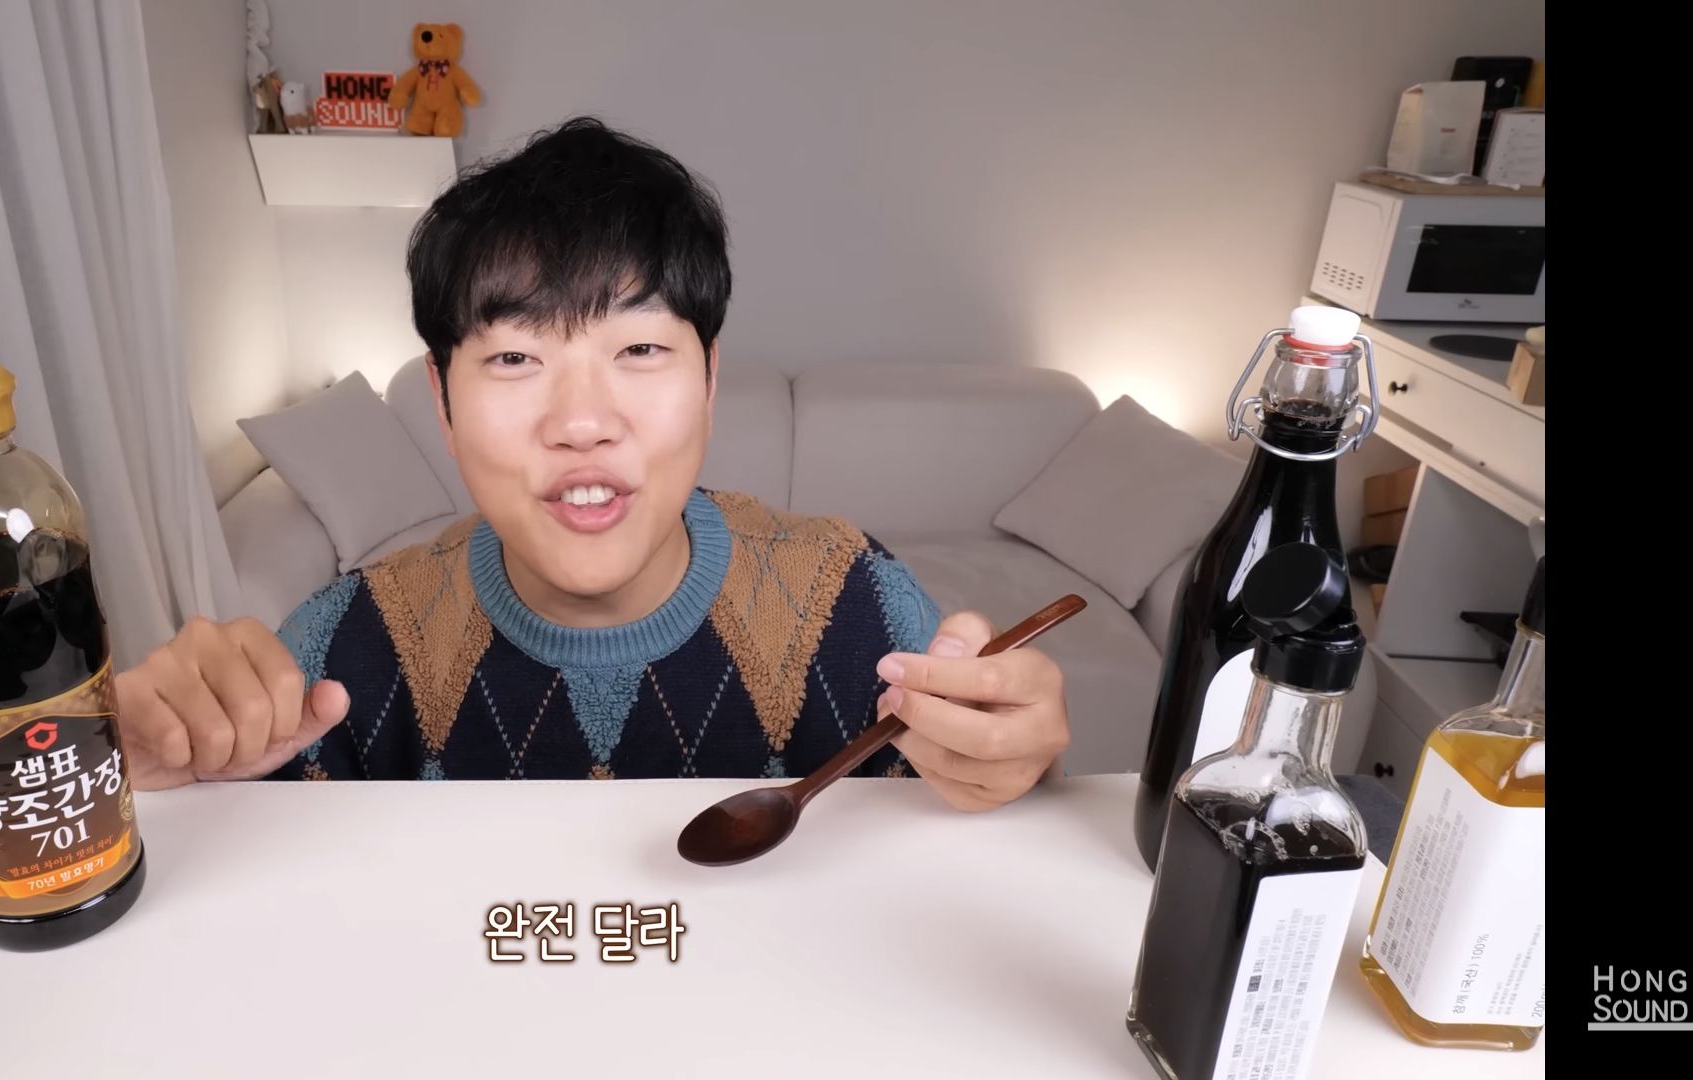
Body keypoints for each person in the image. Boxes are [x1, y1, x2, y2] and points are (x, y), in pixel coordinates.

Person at [118, 117, 1070, 810]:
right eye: (514, 359)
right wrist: (161, 784)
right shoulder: (342, 650)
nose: (581, 422)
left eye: (640, 349)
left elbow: (971, 840)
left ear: (709, 381)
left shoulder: (856, 605)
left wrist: (1009, 771)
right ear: (441, 402)